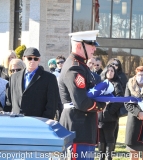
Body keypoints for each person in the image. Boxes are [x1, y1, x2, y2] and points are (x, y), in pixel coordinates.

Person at [58, 30, 106, 160]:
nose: (94, 48)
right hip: (77, 129)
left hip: (83, 128)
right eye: (91, 44)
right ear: (79, 46)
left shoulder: (82, 66)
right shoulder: (75, 68)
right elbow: (82, 102)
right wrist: (102, 105)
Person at [6, 47, 59, 119]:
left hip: (37, 122)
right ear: (24, 59)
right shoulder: (14, 77)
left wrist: (44, 122)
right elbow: (9, 103)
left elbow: (52, 105)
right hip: (16, 122)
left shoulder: (49, 78)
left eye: (35, 59)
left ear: (39, 60)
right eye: (29, 58)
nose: (32, 61)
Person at [125, 66, 143, 160]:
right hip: (133, 120)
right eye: (138, 74)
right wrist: (138, 113)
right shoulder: (129, 84)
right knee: (134, 151)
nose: (140, 77)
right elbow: (127, 102)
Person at [98, 64, 124, 160]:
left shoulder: (116, 84)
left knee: (109, 139)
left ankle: (108, 158)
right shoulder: (100, 84)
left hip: (110, 118)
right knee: (101, 140)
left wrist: (111, 111)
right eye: (108, 70)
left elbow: (120, 98)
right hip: (99, 116)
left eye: (112, 71)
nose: (110, 72)